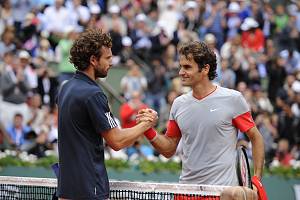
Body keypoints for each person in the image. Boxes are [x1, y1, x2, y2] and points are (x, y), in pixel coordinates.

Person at [137, 41, 265, 196]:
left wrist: (257, 179)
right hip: (186, 192)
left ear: (205, 69)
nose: (180, 72)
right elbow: (169, 148)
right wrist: (147, 130)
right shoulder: (178, 104)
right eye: (181, 66)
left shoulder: (233, 99)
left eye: (187, 67)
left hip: (221, 193)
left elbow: (256, 138)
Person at [56, 29, 157, 200]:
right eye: (108, 58)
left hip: (66, 188)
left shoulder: (65, 88)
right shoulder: (93, 94)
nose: (111, 62)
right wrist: (146, 124)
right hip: (89, 189)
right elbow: (116, 141)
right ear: (93, 60)